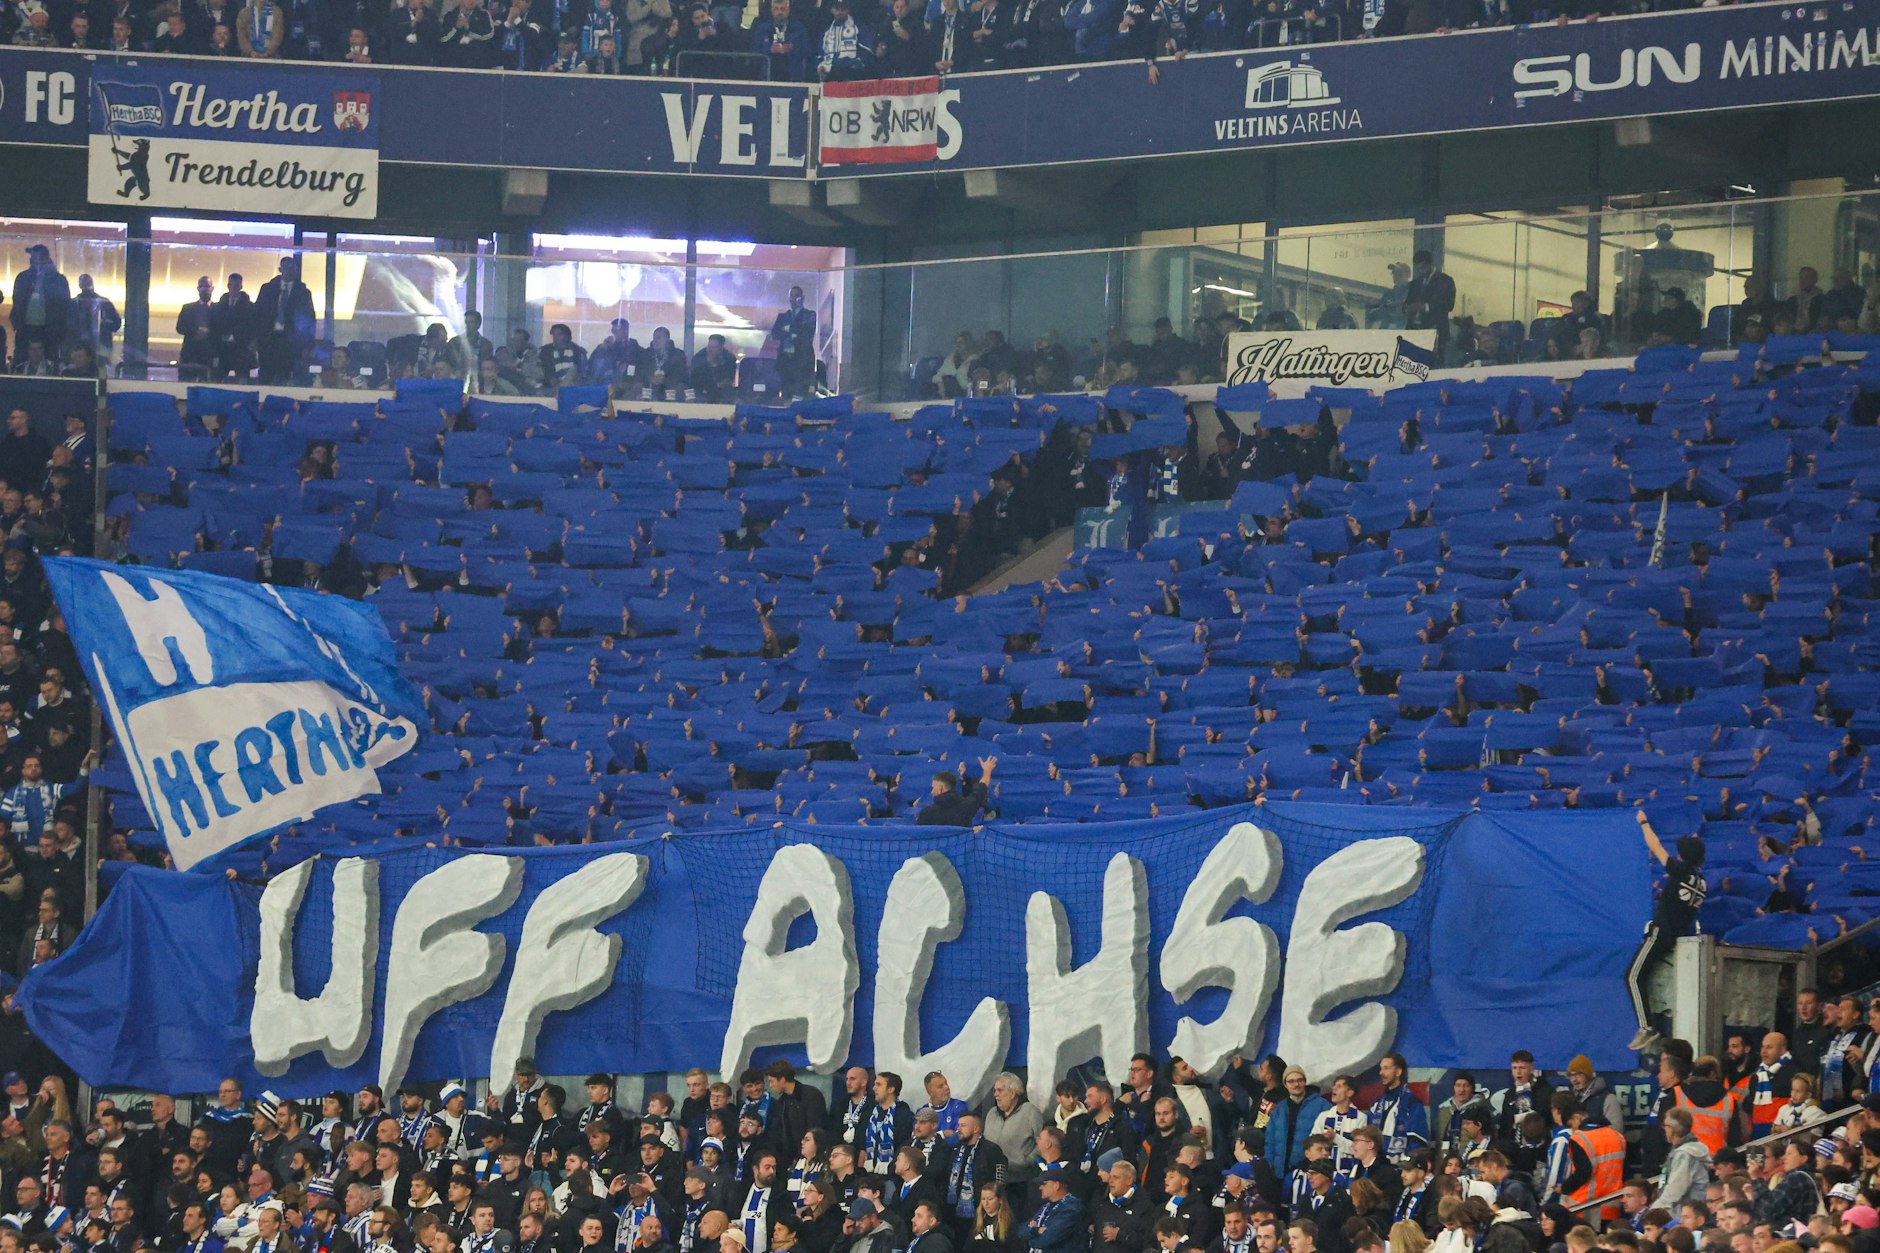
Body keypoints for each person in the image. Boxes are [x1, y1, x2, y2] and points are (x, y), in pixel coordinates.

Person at [1627, 809, 1706, 1050]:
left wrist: (1643, 822)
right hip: (1675, 937)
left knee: (1632, 976)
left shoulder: (1681, 873)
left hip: (1660, 934)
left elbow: (1655, 845)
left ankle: (1646, 1026)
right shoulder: (1702, 882)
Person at [254, 257, 316, 385]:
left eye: (292, 268)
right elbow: (257, 314)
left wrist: (307, 345)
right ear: (280, 270)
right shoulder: (268, 289)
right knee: (266, 376)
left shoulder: (303, 292)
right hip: (268, 340)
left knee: (285, 376)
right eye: (286, 268)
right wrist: (256, 338)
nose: (289, 271)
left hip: (290, 342)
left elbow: (309, 319)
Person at [11, 245, 69, 368]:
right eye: (33, 258)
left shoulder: (58, 279)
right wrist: (17, 323)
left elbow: (63, 306)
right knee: (22, 359)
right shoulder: (23, 277)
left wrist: (58, 329)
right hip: (25, 328)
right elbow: (17, 301)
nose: (35, 261)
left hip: (49, 330)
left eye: (39, 257)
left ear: (46, 259)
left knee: (50, 360)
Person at [1401, 251, 1455, 362]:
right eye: (1418, 268)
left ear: (1430, 264)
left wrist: (1425, 307)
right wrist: (1407, 308)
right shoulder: (1415, 283)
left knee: (1434, 364)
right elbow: (1406, 303)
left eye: (1422, 268)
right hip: (1414, 331)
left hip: (1436, 331)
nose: (1420, 271)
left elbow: (1449, 305)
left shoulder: (1445, 281)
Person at [769, 287, 817, 399]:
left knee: (801, 393)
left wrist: (788, 329)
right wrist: (793, 331)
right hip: (785, 362)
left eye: (797, 296)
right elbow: (775, 334)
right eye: (791, 296)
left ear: (802, 298)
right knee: (786, 393)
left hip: (802, 362)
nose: (793, 299)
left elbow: (807, 334)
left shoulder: (809, 315)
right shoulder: (783, 317)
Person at [917, 759, 993, 827]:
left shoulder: (926, 813)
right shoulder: (968, 806)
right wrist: (987, 771)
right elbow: (981, 789)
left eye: (933, 788)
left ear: (941, 788)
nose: (931, 792)